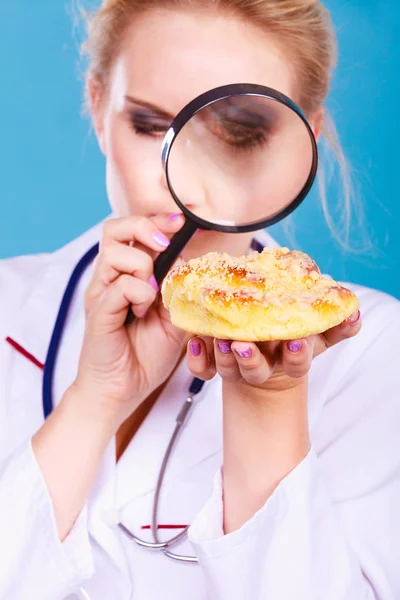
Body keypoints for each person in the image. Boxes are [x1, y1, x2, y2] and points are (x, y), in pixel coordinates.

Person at [0, 1, 399, 599]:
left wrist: (269, 402)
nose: (190, 186)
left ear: (301, 140)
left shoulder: (374, 350)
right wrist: (95, 401)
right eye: (152, 125)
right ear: (97, 108)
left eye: (240, 132)